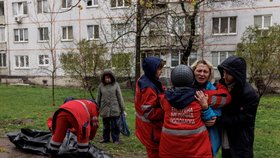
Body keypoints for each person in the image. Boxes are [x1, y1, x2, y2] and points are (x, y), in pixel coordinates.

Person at [159, 64, 212, 158]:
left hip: (170, 149)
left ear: (172, 81)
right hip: (197, 149)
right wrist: (205, 106)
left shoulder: (165, 98)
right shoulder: (200, 97)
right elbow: (223, 100)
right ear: (192, 80)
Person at [217, 56, 259, 158]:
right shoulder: (223, 87)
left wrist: (220, 120)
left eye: (228, 74)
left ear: (237, 74)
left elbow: (245, 118)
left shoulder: (249, 94)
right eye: (224, 72)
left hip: (241, 139)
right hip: (226, 135)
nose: (224, 77)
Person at [191, 59, 232, 156]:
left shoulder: (215, 89)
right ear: (193, 71)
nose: (202, 74)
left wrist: (204, 100)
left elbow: (224, 101)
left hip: (209, 137)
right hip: (190, 136)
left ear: (209, 74)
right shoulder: (185, 88)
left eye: (205, 71)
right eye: (199, 71)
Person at [134, 56, 165, 158]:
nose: (161, 71)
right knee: (154, 154)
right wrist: (166, 110)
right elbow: (149, 112)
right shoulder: (149, 88)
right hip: (151, 131)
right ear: (152, 70)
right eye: (159, 69)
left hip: (146, 129)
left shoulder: (145, 80)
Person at [97, 69, 125, 144]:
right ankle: (105, 138)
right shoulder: (101, 86)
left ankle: (116, 139)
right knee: (106, 126)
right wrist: (97, 107)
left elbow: (120, 97)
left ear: (112, 77)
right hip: (104, 109)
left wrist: (123, 109)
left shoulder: (116, 85)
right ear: (104, 78)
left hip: (114, 109)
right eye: (106, 77)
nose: (108, 79)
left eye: (109, 77)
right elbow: (98, 98)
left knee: (115, 126)